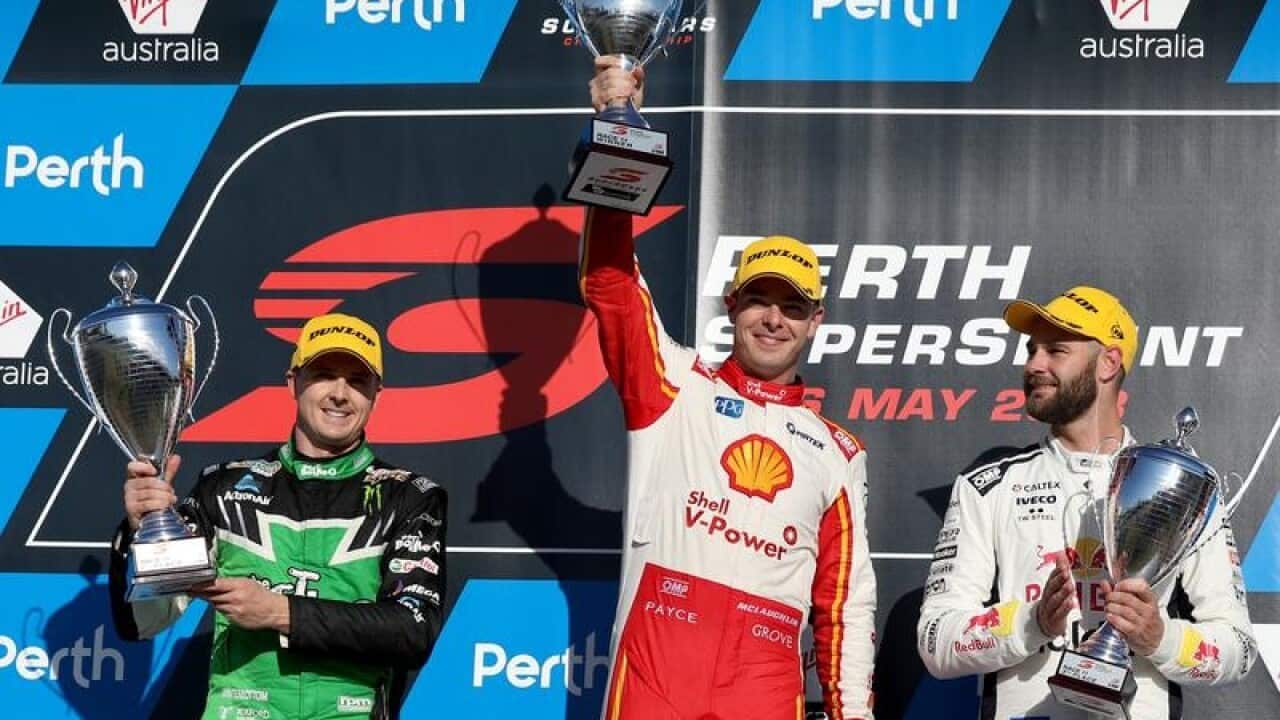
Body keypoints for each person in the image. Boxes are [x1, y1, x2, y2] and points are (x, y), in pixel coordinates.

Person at [582, 58, 877, 720]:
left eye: (793, 307)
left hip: (765, 682)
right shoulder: (675, 384)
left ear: (815, 323)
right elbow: (609, 282)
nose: (774, 319)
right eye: (759, 301)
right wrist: (613, 135)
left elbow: (844, 603)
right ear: (730, 304)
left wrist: (852, 714)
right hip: (659, 663)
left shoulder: (839, 452)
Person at [917, 286, 1256, 719]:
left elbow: (1239, 649)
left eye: (1056, 351)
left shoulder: (1180, 489)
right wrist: (1032, 622)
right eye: (1032, 351)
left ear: (1109, 363)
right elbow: (935, 642)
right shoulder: (987, 487)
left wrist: (1160, 638)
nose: (1034, 365)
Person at [109, 313, 447, 720]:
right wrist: (141, 530)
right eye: (324, 374)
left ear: (376, 392)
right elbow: (141, 621)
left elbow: (413, 631)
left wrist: (280, 611)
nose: (340, 393)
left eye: (357, 381)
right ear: (293, 382)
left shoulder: (409, 497)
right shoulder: (224, 488)